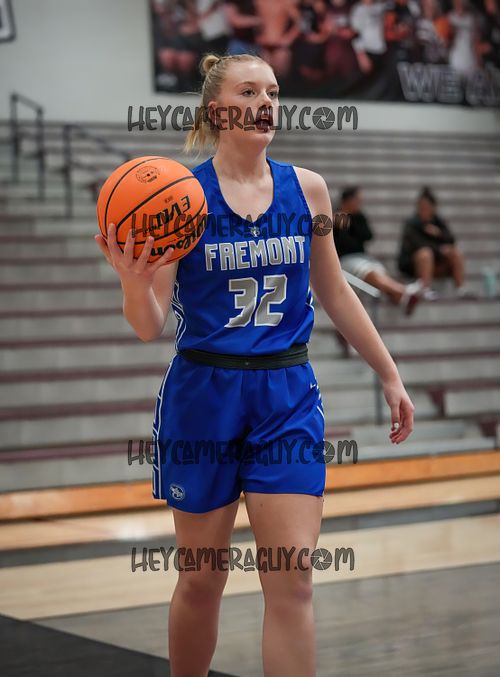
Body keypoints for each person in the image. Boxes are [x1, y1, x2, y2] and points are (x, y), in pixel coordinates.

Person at [95, 52, 415, 677]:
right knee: (201, 579)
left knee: (293, 581)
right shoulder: (179, 198)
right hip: (203, 395)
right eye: (248, 92)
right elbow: (149, 325)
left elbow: (335, 289)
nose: (265, 102)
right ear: (216, 110)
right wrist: (133, 282)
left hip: (286, 393)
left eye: (272, 91)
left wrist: (389, 372)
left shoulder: (308, 189)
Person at [334, 187, 422, 315]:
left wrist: (352, 223)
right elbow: (343, 244)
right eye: (357, 200)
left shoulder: (358, 217)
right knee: (368, 271)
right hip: (344, 260)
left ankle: (401, 297)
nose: (359, 203)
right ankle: (402, 292)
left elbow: (368, 235)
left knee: (377, 271)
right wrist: (341, 226)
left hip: (361, 257)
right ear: (348, 200)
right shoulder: (334, 217)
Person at [398, 187, 471, 299]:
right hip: (415, 265)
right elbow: (417, 245)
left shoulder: (438, 222)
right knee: (425, 254)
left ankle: (461, 288)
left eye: (426, 207)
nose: (424, 210)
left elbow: (451, 240)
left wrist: (439, 234)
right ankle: (425, 289)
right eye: (421, 207)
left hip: (437, 264)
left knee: (456, 253)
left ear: (433, 208)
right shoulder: (411, 224)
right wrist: (439, 250)